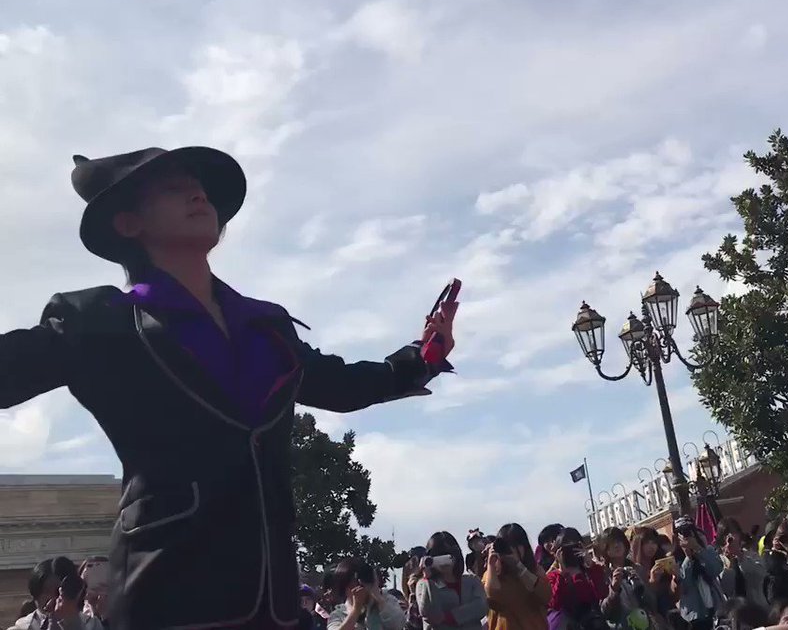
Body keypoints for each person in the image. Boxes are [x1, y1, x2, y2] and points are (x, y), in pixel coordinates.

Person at [0, 147, 457, 629]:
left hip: (273, 600)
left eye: (200, 187)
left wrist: (424, 356)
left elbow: (341, 385)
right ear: (129, 223)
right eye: (174, 188)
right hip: (166, 596)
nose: (198, 194)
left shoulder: (266, 326)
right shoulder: (99, 322)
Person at [482, 523, 552, 630]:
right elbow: (493, 599)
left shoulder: (535, 570)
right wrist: (491, 564)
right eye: (506, 546)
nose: (511, 550)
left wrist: (519, 567)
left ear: (524, 546)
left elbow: (545, 596)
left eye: (515, 545)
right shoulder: (493, 574)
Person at [416, 532, 488, 630]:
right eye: (438, 557)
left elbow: (481, 606)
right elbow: (428, 613)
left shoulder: (472, 581)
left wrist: (450, 616)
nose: (443, 561)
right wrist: (427, 578)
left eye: (448, 556)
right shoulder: (424, 584)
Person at [672, 517, 725, 630]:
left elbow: (716, 569)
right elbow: (684, 586)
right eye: (682, 533)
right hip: (695, 616)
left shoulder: (708, 550)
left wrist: (698, 548)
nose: (686, 536)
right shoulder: (675, 559)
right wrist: (688, 558)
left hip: (716, 610)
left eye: (689, 532)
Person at [326, 558, 406, 630]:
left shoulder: (387, 600)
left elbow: (399, 625)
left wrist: (379, 599)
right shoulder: (337, 615)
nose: (361, 585)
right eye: (353, 583)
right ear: (344, 587)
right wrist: (356, 610)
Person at [718, 518, 769, 611]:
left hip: (757, 608)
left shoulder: (750, 554)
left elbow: (762, 573)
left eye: (734, 532)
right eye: (727, 534)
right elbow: (725, 588)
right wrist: (729, 562)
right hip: (734, 611)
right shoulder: (719, 560)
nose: (731, 536)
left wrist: (740, 555)